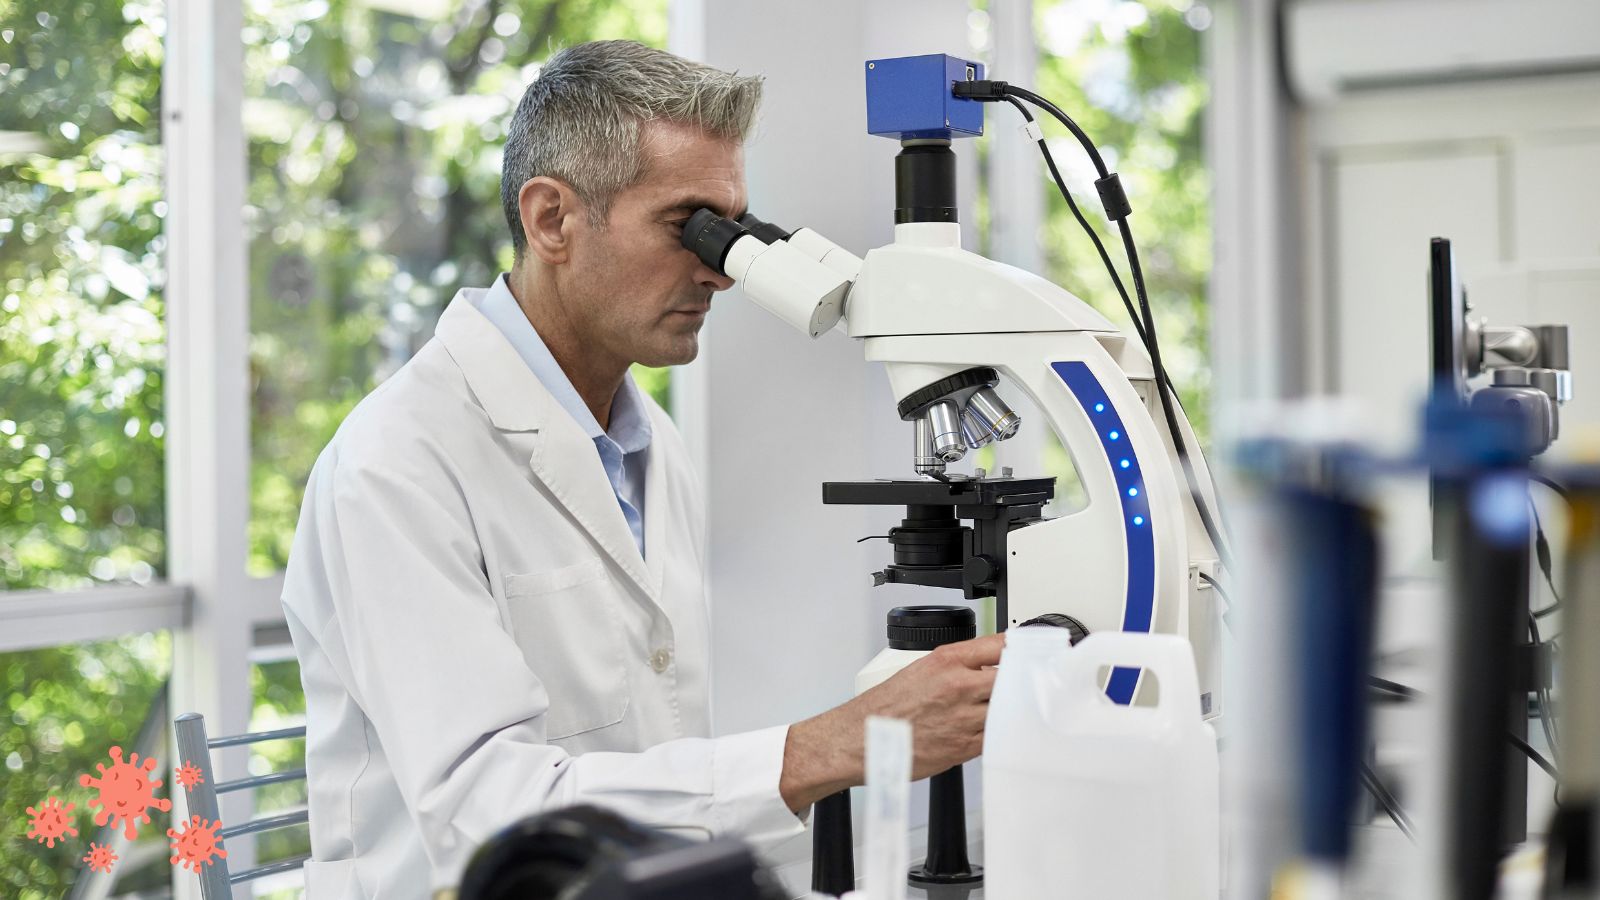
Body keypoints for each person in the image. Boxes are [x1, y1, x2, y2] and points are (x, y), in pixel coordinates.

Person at [281, 39, 1004, 898]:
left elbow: (659, 764)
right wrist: (835, 745)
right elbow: (492, 819)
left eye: (732, 228)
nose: (722, 270)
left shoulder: (646, 439)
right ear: (552, 220)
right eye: (688, 225)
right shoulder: (398, 464)